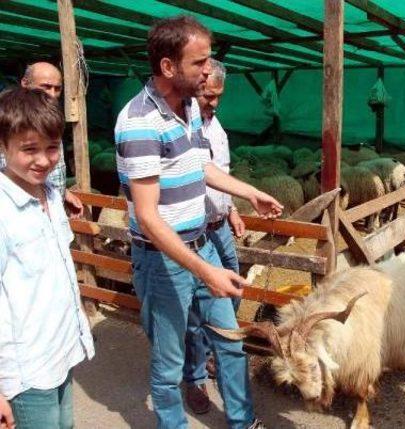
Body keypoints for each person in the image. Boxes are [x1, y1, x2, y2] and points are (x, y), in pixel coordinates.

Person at [115, 16, 281, 429]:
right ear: (168, 67)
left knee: (229, 343)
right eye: (200, 62)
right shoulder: (138, 122)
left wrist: (248, 192)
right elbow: (149, 218)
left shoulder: (188, 106)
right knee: (169, 363)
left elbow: (199, 165)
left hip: (201, 242)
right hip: (161, 259)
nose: (209, 70)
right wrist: (207, 270)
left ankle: (243, 421)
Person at [0, 87, 95, 429]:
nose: (43, 160)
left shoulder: (52, 195)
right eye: (29, 149)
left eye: (52, 147)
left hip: (61, 350)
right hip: (26, 369)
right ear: (3, 146)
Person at [183, 59, 246, 414]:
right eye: (209, 95)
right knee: (194, 311)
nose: (214, 102)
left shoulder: (216, 125)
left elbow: (221, 171)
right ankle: (195, 378)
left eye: (219, 96)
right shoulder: (186, 124)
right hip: (195, 232)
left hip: (219, 224)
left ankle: (211, 349)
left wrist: (233, 208)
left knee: (233, 290)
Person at [0, 62, 83, 218]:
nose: (52, 94)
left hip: (51, 207)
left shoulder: (50, 121)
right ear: (25, 83)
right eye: (46, 86)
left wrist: (60, 193)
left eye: (57, 88)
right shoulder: (11, 124)